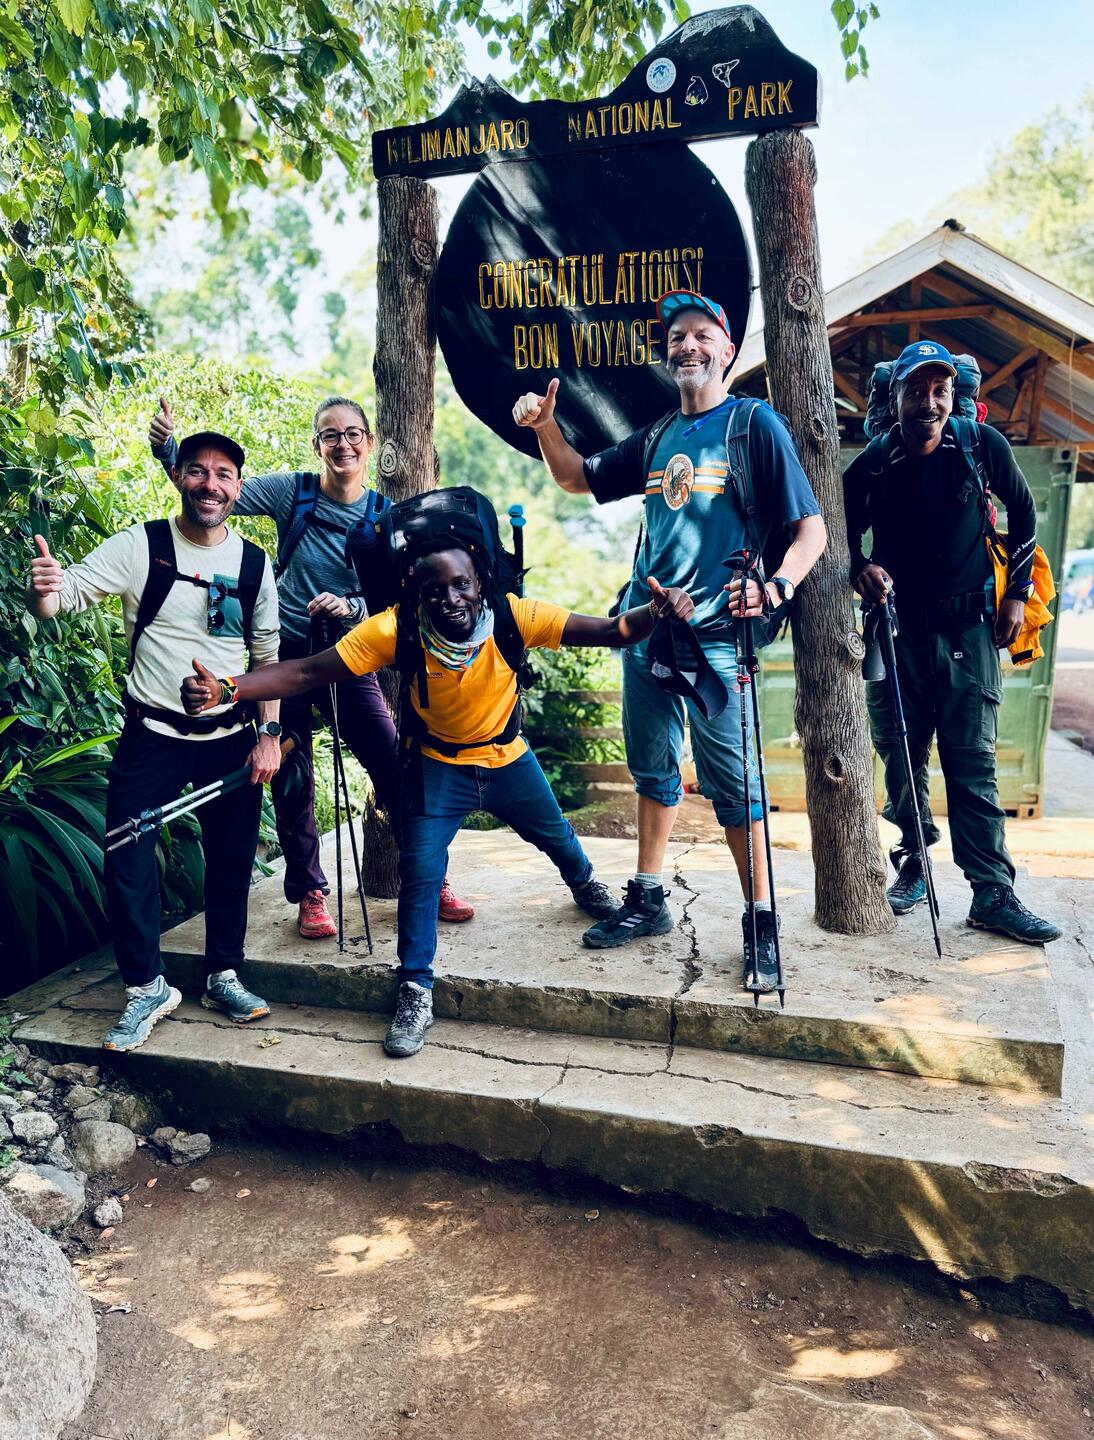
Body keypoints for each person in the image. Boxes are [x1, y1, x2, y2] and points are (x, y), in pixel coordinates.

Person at [181, 532, 695, 1057]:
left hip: (507, 759)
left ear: (481, 584)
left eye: (461, 584)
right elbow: (308, 670)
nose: (450, 599)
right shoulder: (396, 628)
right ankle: (414, 989)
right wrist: (229, 688)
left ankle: (585, 886)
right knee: (421, 873)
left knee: (556, 836)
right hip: (437, 767)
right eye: (434, 590)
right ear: (415, 594)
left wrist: (657, 610)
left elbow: (613, 630)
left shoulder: (515, 616)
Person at [511, 291, 827, 993]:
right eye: (678, 336)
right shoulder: (657, 437)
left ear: (727, 351)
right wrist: (546, 426)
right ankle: (649, 898)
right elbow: (576, 478)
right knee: (652, 771)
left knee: (735, 788)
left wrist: (776, 588)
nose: (688, 345)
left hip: (718, 640)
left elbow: (812, 530)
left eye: (702, 335)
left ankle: (761, 921)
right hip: (647, 633)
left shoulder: (752, 425)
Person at [149, 396, 473, 937]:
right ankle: (310, 894)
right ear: (317, 445)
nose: (342, 444)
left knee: (393, 762)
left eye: (352, 434)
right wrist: (168, 449)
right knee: (291, 773)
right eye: (330, 435)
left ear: (368, 443)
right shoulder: (293, 493)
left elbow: (400, 597)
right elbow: (214, 494)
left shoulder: (385, 518)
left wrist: (352, 608)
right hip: (285, 654)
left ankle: (428, 877)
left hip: (349, 655)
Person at [26, 431, 281, 1051]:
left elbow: (268, 656)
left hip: (231, 736)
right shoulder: (141, 546)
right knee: (127, 857)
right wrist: (44, 590)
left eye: (223, 475)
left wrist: (270, 734)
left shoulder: (253, 564)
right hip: (152, 736)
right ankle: (146, 987)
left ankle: (223, 975)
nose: (210, 485)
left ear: (237, 487)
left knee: (231, 859)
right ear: (178, 477)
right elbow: (63, 598)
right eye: (198, 471)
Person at [843, 339, 1060, 944]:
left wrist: (1016, 595)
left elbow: (1023, 514)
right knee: (900, 755)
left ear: (952, 396)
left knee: (972, 763)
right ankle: (914, 861)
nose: (929, 403)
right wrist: (859, 567)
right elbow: (839, 531)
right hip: (897, 630)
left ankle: (992, 893)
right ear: (897, 397)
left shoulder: (979, 444)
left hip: (970, 629)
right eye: (916, 391)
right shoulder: (875, 462)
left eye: (939, 391)